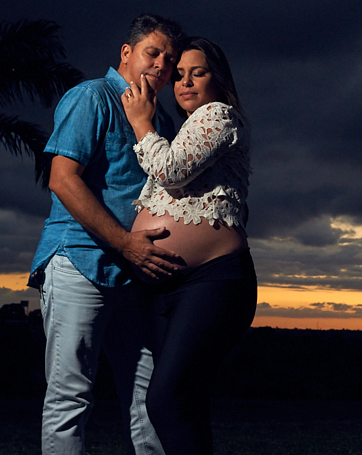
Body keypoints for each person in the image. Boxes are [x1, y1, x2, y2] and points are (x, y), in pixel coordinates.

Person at [30, 13, 186, 455]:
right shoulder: (91, 97)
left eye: (169, 59)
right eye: (152, 52)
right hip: (80, 263)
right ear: (127, 53)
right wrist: (124, 244)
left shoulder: (164, 122)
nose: (161, 64)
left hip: (137, 276)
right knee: (70, 395)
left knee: (148, 400)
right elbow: (62, 179)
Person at [121, 36, 256, 455]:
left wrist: (142, 122)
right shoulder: (185, 128)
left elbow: (172, 170)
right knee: (186, 402)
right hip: (169, 286)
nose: (185, 82)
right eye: (178, 75)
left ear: (218, 78)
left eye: (197, 73)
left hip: (213, 280)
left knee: (165, 400)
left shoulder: (219, 116)